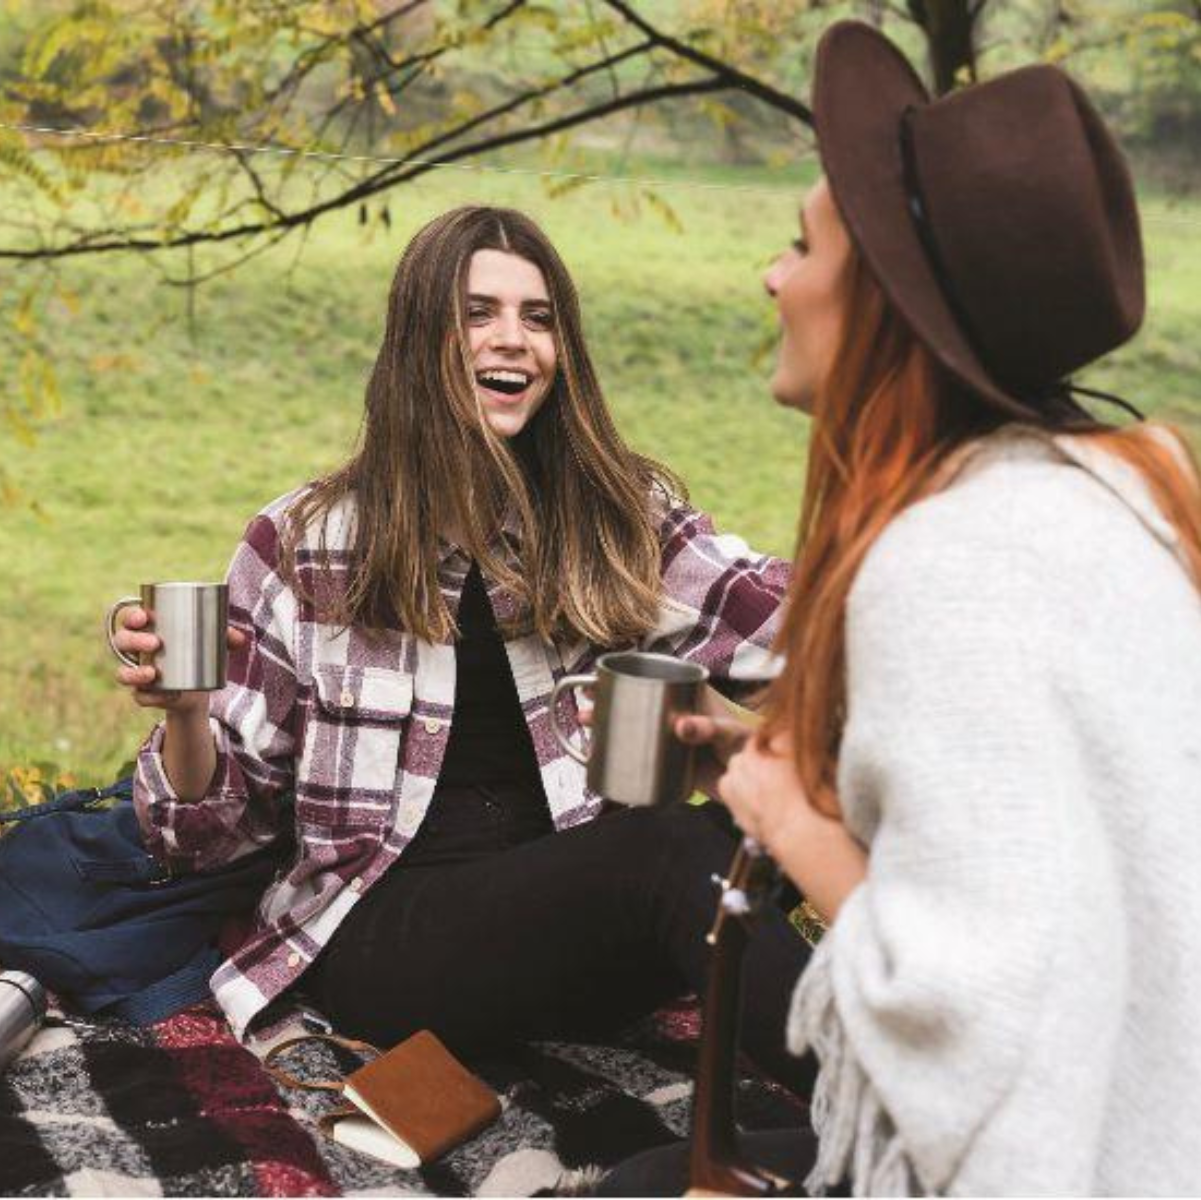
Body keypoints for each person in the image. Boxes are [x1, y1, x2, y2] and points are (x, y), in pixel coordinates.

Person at [608, 21, 1201, 1196]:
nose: (772, 276)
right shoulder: (1107, 497)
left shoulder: (946, 560)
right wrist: (794, 769)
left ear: (883, 300)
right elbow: (1041, 857)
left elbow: (973, 1021)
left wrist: (794, 822)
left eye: (801, 244)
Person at [110, 205, 815, 1097]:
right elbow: (200, 839)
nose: (513, 338)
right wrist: (185, 712)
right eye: (478, 313)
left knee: (804, 809)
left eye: (538, 317)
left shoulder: (615, 515)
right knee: (673, 852)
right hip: (390, 941)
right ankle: (884, 1113)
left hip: (580, 922)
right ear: (420, 341)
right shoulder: (306, 541)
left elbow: (799, 636)